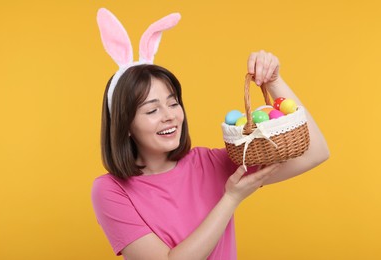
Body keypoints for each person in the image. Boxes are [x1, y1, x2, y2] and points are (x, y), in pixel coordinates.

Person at [92, 9, 329, 260]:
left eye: (173, 104)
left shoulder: (210, 164)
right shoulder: (111, 190)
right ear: (125, 125)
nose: (170, 115)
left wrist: (274, 81)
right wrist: (231, 198)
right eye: (152, 109)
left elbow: (315, 152)